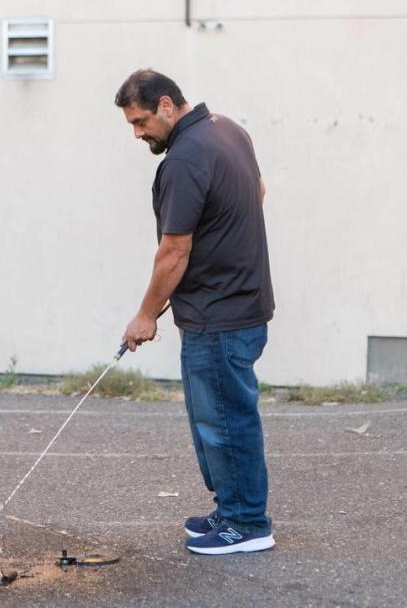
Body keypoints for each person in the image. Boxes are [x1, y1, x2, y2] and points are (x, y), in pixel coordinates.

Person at [115, 69, 275, 555]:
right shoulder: (228, 130)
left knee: (224, 421)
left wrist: (145, 316)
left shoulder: (184, 159)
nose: (138, 134)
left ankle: (247, 524)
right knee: (221, 416)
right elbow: (258, 192)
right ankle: (232, 508)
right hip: (241, 304)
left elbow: (173, 253)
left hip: (218, 316)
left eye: (141, 121)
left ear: (167, 105)